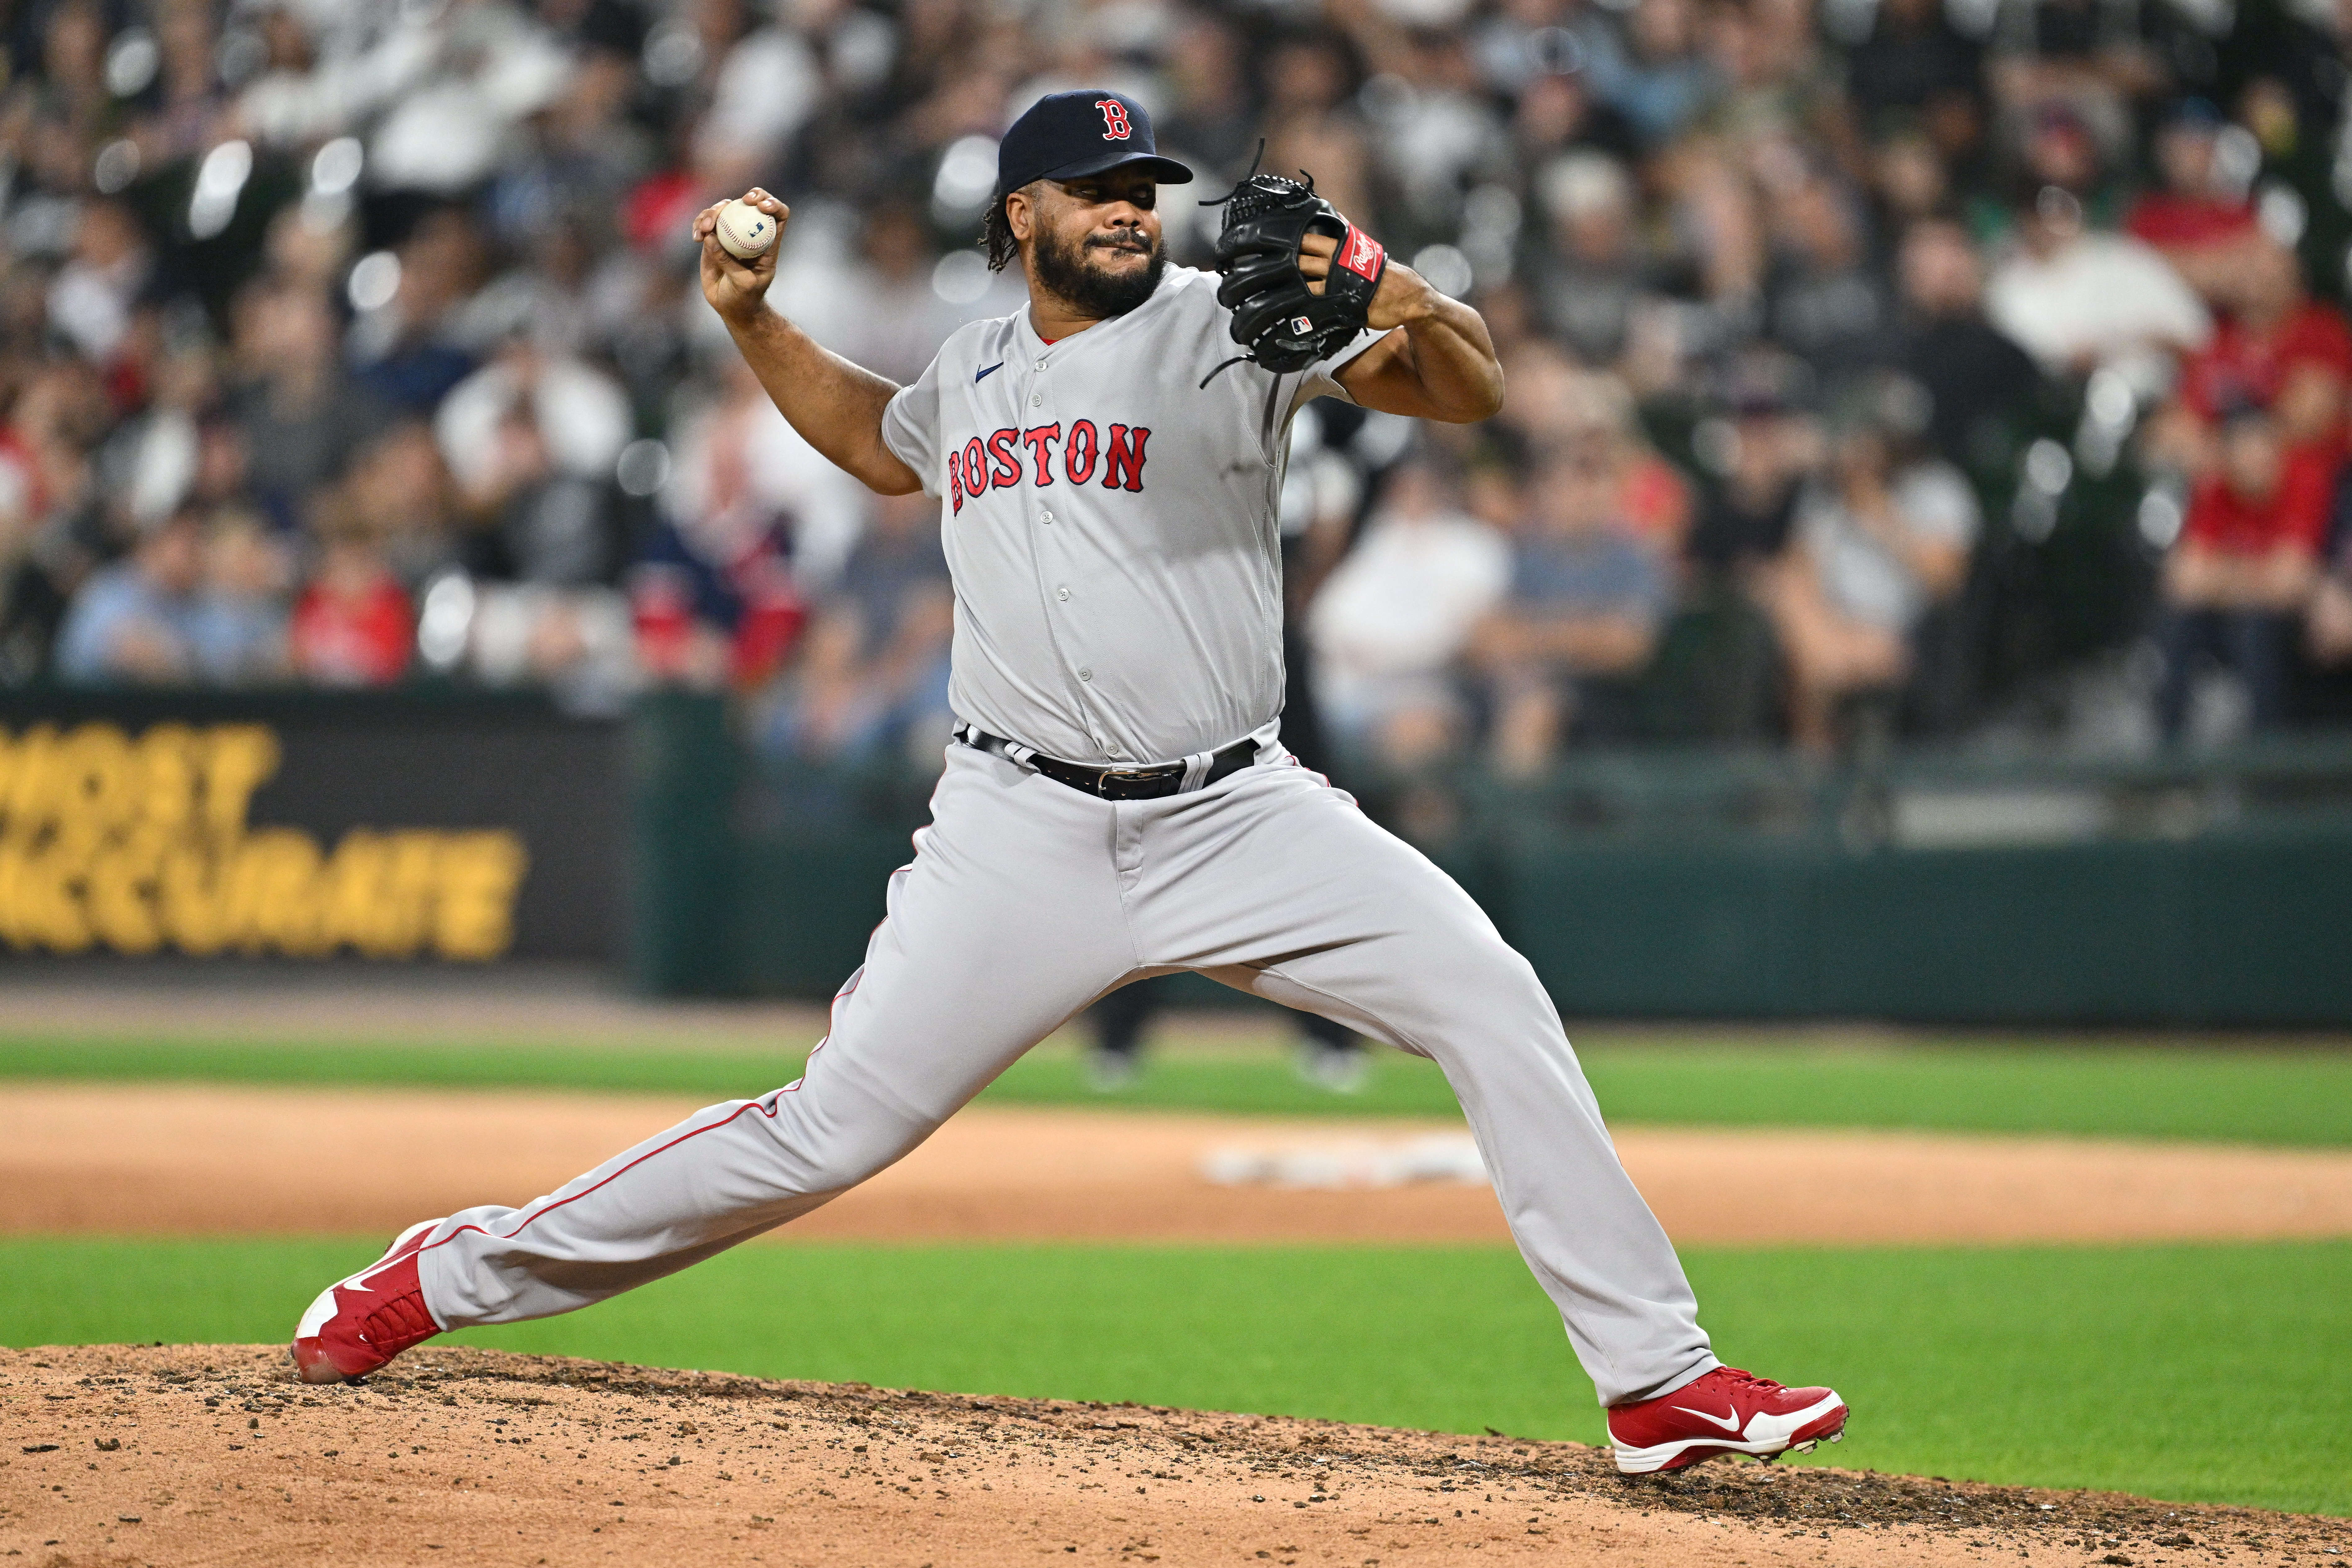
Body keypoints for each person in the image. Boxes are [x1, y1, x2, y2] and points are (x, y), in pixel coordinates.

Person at [288, 90, 1846, 1476]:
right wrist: (754, 325)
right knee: (823, 1132)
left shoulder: (1225, 319)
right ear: (1019, 215)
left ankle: (1657, 1380)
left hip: (1238, 812)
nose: (1128, 207)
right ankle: (449, 1277)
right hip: (1015, 829)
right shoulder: (969, 369)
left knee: (1489, 996)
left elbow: (1469, 392)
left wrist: (1397, 289)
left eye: (1143, 186)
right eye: (1097, 188)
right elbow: (881, 444)